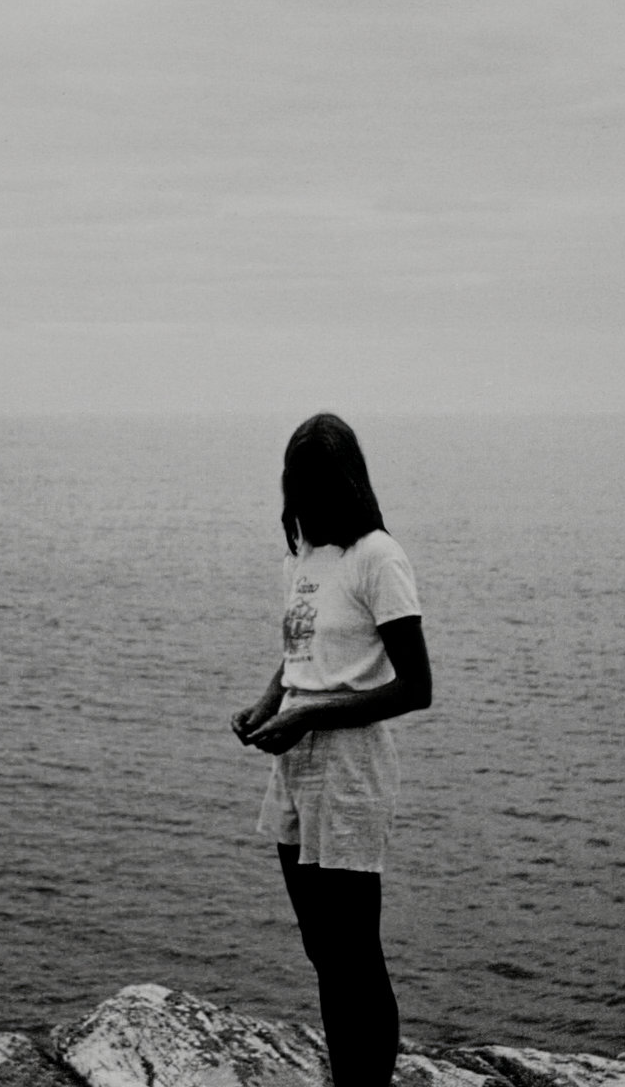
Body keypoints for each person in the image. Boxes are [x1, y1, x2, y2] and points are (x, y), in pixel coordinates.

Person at [232, 412, 432, 1087]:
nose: (303, 499)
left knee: (354, 953)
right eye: (296, 484)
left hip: (348, 766)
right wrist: (269, 703)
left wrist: (310, 713)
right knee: (322, 947)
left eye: (316, 484)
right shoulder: (302, 558)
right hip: (295, 760)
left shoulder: (378, 558)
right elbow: (302, 650)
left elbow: (415, 688)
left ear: (344, 482)